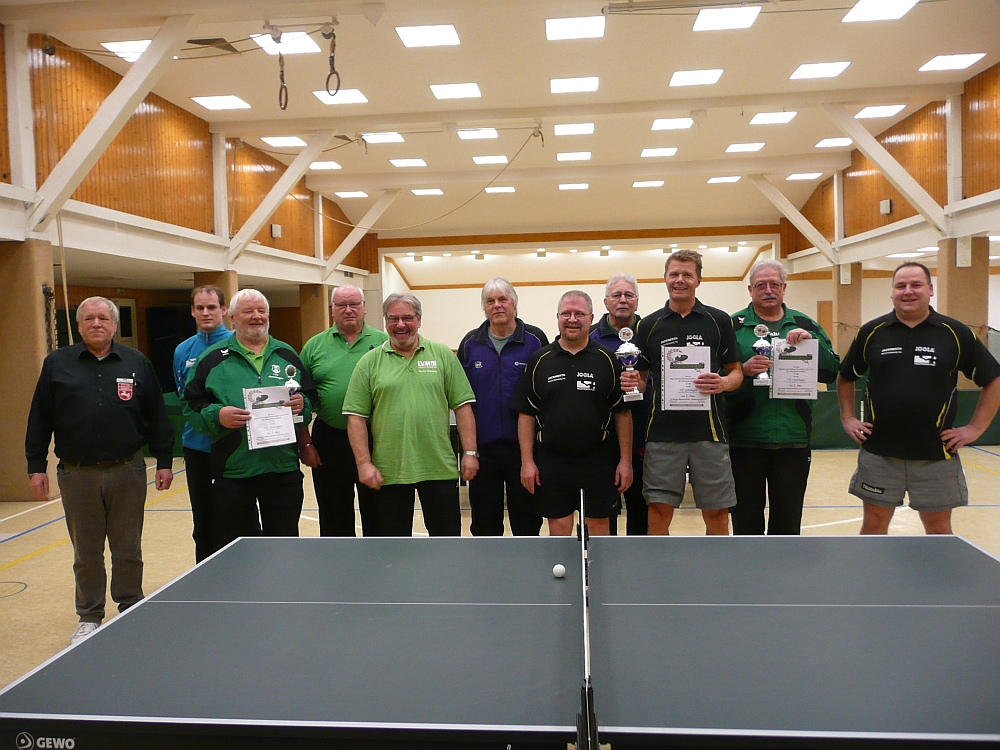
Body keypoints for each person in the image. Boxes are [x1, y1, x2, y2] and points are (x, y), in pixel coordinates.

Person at [26, 297, 174, 644]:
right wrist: (36, 466)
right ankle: (90, 615)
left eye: (103, 318)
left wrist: (165, 461)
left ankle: (130, 605)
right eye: (89, 318)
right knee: (86, 552)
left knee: (128, 548)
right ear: (78, 326)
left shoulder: (136, 362)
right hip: (77, 474)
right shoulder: (57, 364)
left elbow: (156, 415)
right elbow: (39, 418)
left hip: (127, 470)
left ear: (114, 325)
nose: (96, 323)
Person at [837, 262, 1000, 535]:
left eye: (916, 285)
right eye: (901, 286)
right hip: (879, 453)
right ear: (892, 292)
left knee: (938, 529)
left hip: (935, 454)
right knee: (874, 524)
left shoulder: (955, 332)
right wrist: (848, 417)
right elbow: (846, 376)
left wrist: (975, 428)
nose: (908, 291)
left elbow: (993, 379)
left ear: (930, 289)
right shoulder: (872, 331)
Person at [183, 289, 315, 549]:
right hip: (234, 470)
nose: (256, 316)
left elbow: (310, 398)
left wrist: (303, 405)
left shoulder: (287, 355)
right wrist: (217, 415)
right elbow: (190, 404)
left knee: (285, 545)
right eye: (248, 311)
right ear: (232, 318)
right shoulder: (212, 359)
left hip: (282, 468)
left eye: (261, 311)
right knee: (238, 548)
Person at [624, 249, 743, 535]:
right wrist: (632, 382)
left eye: (687, 274)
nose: (680, 280)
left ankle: (715, 563)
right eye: (674, 274)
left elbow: (737, 372)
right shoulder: (648, 325)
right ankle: (661, 564)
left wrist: (724, 383)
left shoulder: (719, 320)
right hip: (662, 435)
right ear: (665, 278)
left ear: (698, 280)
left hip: (709, 434)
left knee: (717, 511)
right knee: (658, 510)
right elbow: (641, 380)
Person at [343, 292, 478, 536]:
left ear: (419, 320)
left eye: (407, 318)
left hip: (439, 469)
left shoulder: (443, 355)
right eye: (393, 318)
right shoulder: (369, 362)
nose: (400, 324)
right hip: (389, 472)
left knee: (446, 544)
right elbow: (355, 418)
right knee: (395, 549)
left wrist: (469, 453)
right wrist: (363, 464)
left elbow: (462, 407)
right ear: (385, 322)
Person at [726, 259, 840, 535]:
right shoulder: (732, 326)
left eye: (774, 284)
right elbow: (716, 376)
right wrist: (743, 371)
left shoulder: (805, 324)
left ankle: (784, 565)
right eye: (761, 285)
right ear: (750, 290)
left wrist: (812, 344)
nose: (768, 290)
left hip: (793, 438)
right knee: (745, 523)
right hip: (744, 439)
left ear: (784, 288)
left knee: (787, 524)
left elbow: (831, 371)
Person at [513, 290, 633, 537]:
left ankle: (596, 566)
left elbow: (622, 413)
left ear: (591, 318)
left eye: (579, 314)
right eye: (566, 313)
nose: (572, 319)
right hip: (552, 461)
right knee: (559, 530)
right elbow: (526, 414)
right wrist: (527, 462)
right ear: (557, 317)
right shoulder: (540, 360)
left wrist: (625, 461)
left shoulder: (608, 360)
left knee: (599, 530)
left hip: (598, 460)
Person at [458, 278, 548, 536]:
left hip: (526, 451)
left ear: (514, 304)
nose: (497, 305)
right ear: (484, 307)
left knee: (527, 523)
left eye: (502, 299)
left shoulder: (535, 340)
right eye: (490, 301)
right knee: (484, 525)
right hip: (483, 451)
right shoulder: (470, 343)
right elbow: (461, 399)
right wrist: (469, 451)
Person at [299, 285, 388, 536]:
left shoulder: (384, 342)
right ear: (332, 309)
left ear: (364, 307)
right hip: (329, 438)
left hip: (376, 438)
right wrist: (305, 444)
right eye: (341, 305)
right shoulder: (314, 346)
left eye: (354, 304)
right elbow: (300, 399)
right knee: (333, 516)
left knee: (378, 513)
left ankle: (379, 560)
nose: (348, 310)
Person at [590, 273, 651, 535]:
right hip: (602, 443)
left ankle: (640, 560)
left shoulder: (650, 333)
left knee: (642, 512)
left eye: (629, 295)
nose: (623, 300)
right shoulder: (590, 338)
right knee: (603, 514)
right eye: (616, 295)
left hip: (644, 439)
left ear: (637, 300)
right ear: (606, 302)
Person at [172, 285, 230, 562]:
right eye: (200, 308)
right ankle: (205, 575)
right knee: (203, 521)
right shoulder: (182, 350)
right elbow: (184, 395)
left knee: (235, 516)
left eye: (212, 307)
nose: (206, 313)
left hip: (233, 446)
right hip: (196, 447)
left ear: (224, 310)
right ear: (193, 312)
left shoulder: (236, 343)